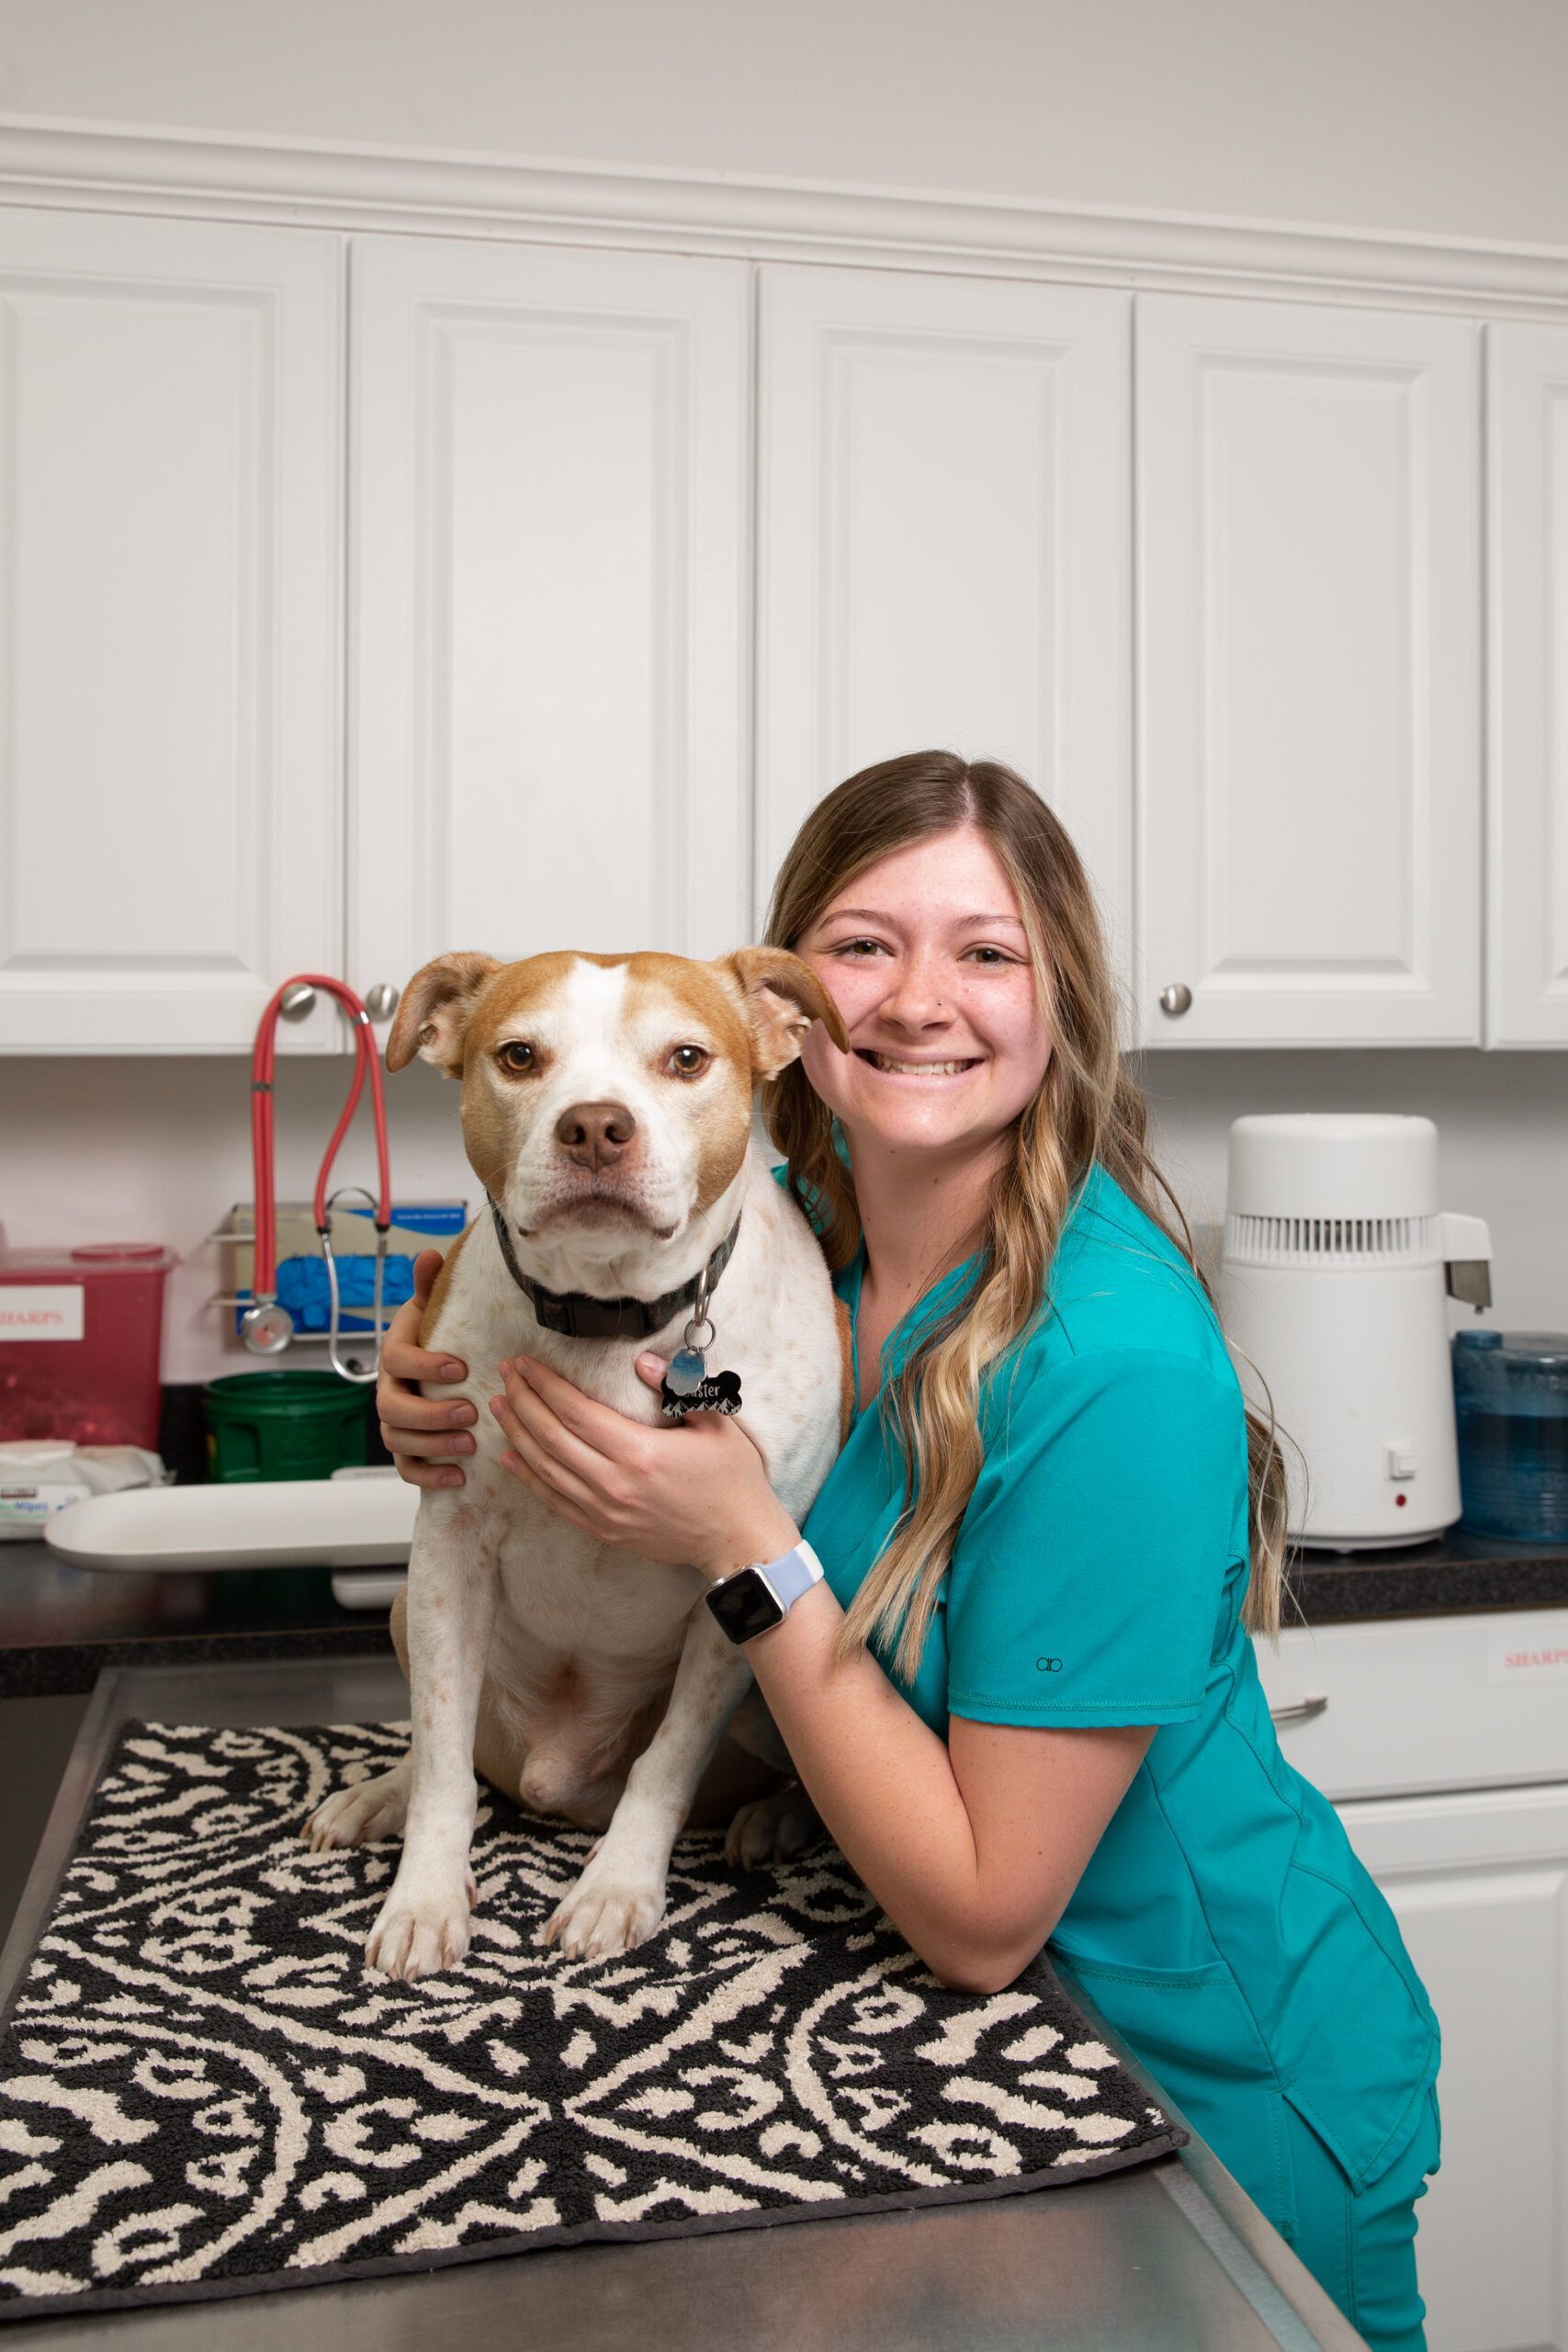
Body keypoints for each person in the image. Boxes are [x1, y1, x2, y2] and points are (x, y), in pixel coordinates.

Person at [375, 750, 1441, 2352]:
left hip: (1192, 2075)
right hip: (952, 2057)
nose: (918, 999)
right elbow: (556, 1234)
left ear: (1060, 998)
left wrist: (742, 1543)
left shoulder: (1115, 1364)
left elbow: (988, 1914)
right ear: (794, 1003)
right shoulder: (794, 1216)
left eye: (987, 951)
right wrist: (423, 1372)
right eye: (868, 944)